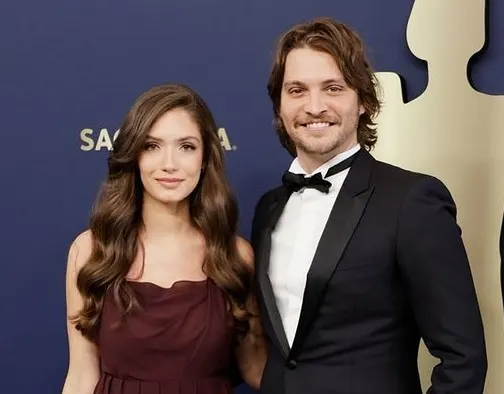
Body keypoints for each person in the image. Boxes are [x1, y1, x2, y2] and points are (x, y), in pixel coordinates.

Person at [251, 17, 487, 394]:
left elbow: (463, 358)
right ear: (279, 104)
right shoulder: (269, 208)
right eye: (297, 90)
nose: (314, 106)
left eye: (332, 88)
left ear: (362, 100)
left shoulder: (412, 201)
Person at [62, 83, 266, 394]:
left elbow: (256, 368)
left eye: (186, 146)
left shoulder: (235, 255)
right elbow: (80, 376)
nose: (169, 164)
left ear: (205, 158)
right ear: (134, 156)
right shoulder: (92, 250)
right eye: (151, 146)